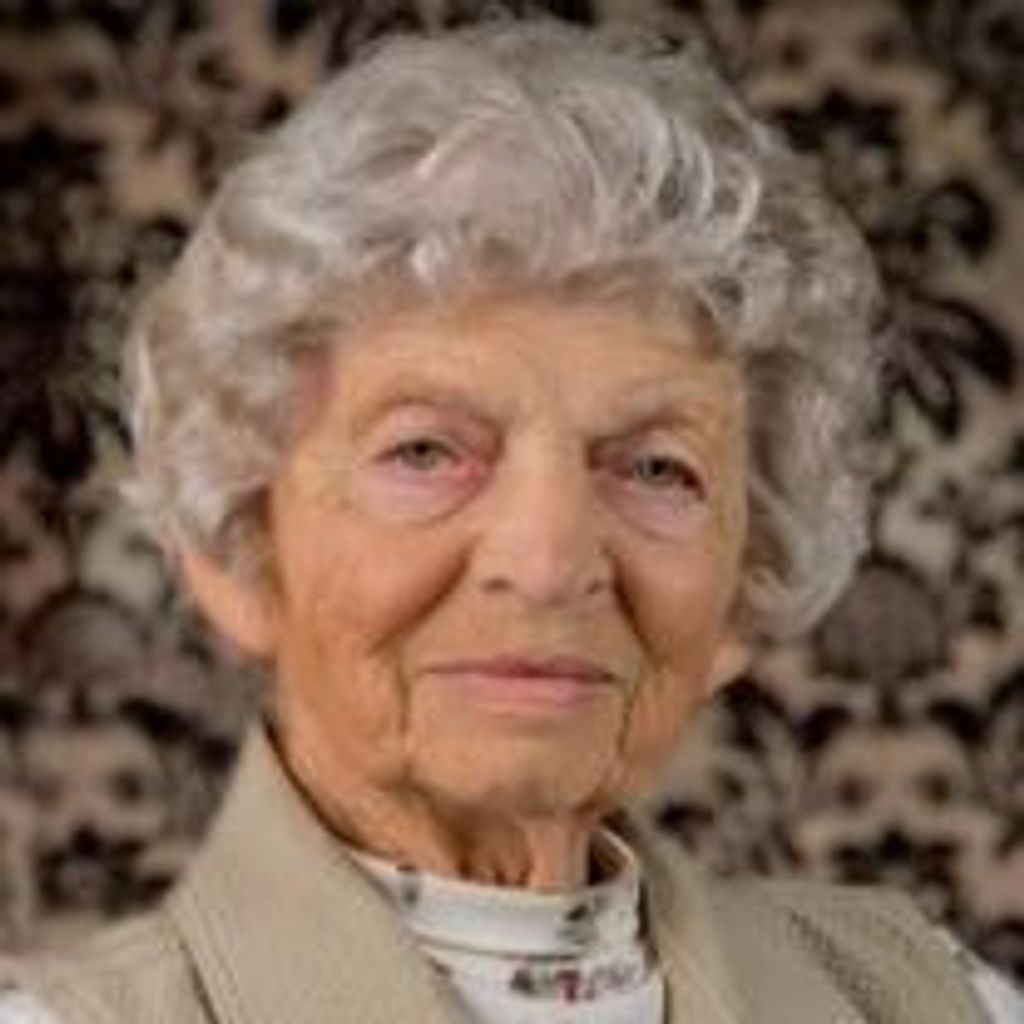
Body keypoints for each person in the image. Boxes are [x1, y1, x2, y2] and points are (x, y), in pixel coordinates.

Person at [1, 18, 1020, 1024]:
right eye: (424, 453)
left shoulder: (929, 999)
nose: (547, 561)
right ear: (239, 548)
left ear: (743, 583)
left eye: (656, 468)